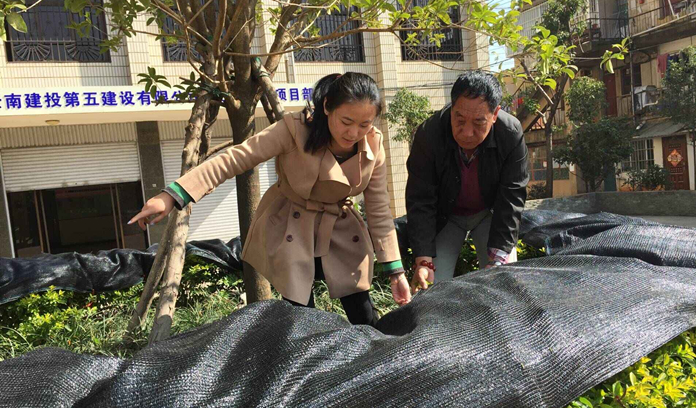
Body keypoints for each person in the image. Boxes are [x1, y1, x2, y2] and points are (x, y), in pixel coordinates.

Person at [129, 72, 411, 325]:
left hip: (339, 229)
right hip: (293, 225)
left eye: (364, 124)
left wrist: (395, 271)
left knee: (363, 313)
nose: (353, 133)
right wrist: (172, 195)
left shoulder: (374, 143)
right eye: (346, 121)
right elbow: (237, 158)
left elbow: (378, 207)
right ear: (327, 107)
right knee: (302, 316)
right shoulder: (294, 129)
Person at [406, 71, 529, 293]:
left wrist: (499, 259)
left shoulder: (510, 133)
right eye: (459, 120)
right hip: (446, 217)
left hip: (489, 214)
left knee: (502, 283)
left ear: (495, 114)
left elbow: (512, 197)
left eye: (479, 122)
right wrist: (423, 260)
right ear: (451, 108)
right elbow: (420, 198)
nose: (467, 133)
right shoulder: (429, 134)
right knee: (431, 288)